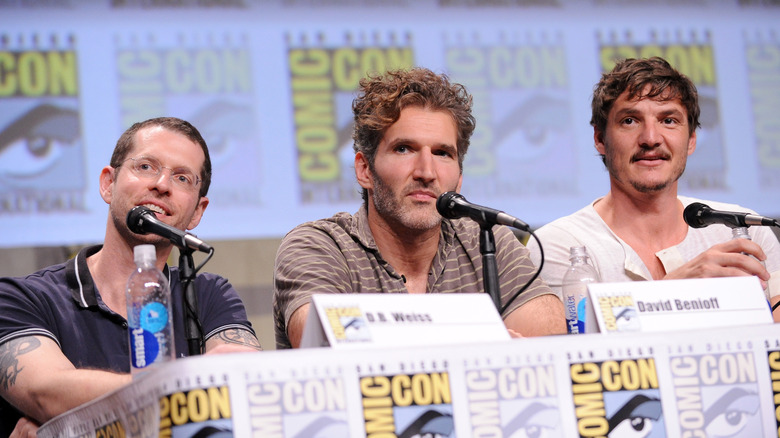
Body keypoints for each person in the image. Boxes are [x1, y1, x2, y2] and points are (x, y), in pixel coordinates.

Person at [0, 117, 262, 436]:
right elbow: (47, 393)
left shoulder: (207, 293)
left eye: (181, 177)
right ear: (108, 183)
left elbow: (246, 384)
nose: (162, 184)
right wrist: (191, 389)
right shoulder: (23, 297)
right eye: (146, 167)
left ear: (197, 211)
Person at [273, 68, 565, 349]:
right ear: (364, 170)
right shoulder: (318, 246)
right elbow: (325, 343)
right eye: (404, 149)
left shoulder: (487, 241)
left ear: (459, 178)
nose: (426, 171)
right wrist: (483, 345)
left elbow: (548, 340)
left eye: (442, 153)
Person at [526, 57, 780, 319]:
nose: (651, 138)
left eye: (668, 120)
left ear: (691, 140)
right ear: (600, 139)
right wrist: (674, 291)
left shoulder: (743, 232)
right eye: (629, 121)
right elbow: (577, 351)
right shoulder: (559, 245)